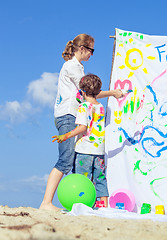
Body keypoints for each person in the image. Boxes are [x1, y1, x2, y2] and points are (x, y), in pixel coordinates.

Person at [39, 34, 123, 211]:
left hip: (70, 115)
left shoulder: (78, 67)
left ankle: (76, 202)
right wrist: (113, 93)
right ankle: (46, 203)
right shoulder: (72, 67)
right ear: (83, 49)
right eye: (91, 50)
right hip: (68, 115)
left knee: (70, 160)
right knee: (65, 160)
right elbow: (90, 93)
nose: (92, 54)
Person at [52, 74, 109, 206]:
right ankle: (104, 205)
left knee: (81, 179)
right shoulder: (100, 107)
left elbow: (82, 128)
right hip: (99, 150)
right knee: (100, 178)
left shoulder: (83, 107)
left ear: (82, 91)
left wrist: (65, 136)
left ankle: (81, 204)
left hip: (84, 150)